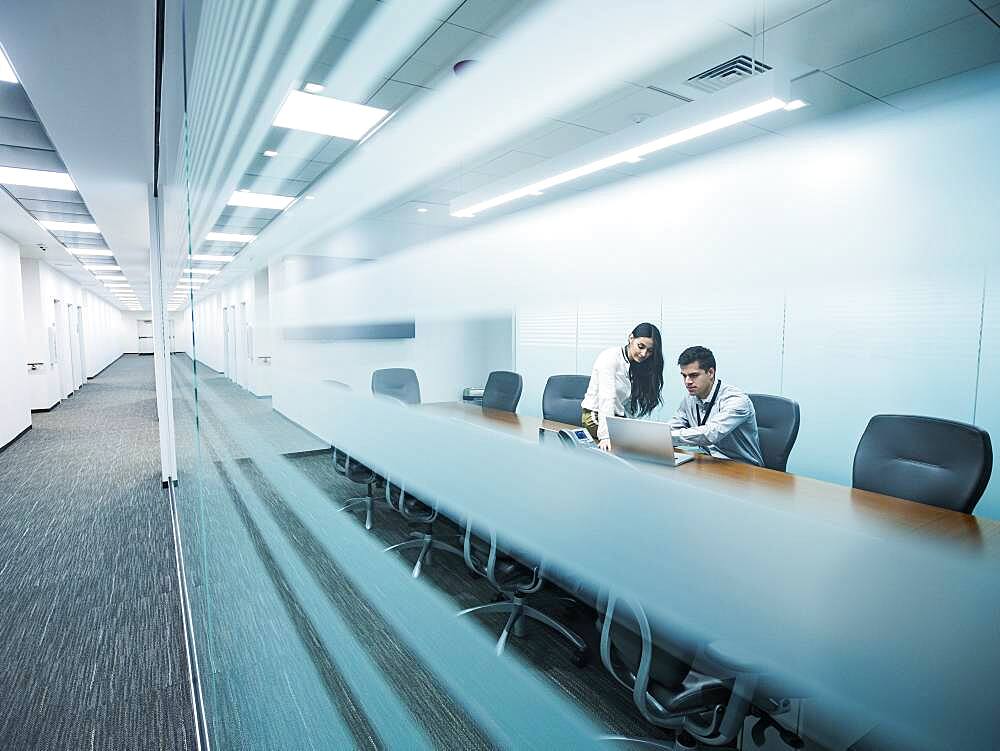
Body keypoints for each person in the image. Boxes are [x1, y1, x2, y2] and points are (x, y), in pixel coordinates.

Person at [668, 346, 764, 466]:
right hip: (709, 463)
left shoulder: (737, 400)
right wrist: (656, 436)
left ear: (710, 373)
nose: (687, 381)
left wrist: (666, 437)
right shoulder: (690, 398)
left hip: (743, 468)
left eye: (693, 375)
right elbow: (672, 426)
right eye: (684, 376)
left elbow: (709, 434)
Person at [581, 322, 664, 452]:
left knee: (644, 443)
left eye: (649, 351)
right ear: (631, 338)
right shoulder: (610, 358)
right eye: (640, 346)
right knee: (629, 447)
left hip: (616, 419)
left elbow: (626, 404)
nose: (644, 354)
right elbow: (607, 398)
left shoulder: (635, 364)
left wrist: (632, 427)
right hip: (595, 417)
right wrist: (605, 436)